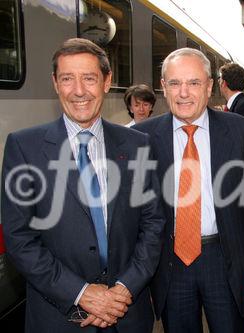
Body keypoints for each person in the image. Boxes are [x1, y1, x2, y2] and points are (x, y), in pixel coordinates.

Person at [1, 38, 166, 332]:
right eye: (67, 78)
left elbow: (153, 225)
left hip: (127, 314)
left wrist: (123, 290)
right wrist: (81, 293)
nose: (78, 90)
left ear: (106, 81)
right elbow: (19, 238)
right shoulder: (24, 147)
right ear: (55, 83)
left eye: (89, 78)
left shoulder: (138, 145)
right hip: (58, 317)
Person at [133, 48, 244, 333]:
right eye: (174, 83)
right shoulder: (142, 138)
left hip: (225, 260)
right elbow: (137, 212)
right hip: (171, 264)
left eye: (193, 83)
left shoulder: (242, 132)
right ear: (163, 88)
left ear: (209, 87)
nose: (184, 93)